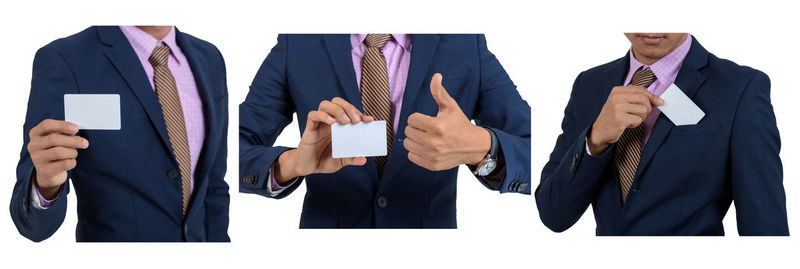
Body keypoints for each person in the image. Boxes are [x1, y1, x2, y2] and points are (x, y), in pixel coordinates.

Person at [240, 34, 531, 228]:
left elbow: (534, 152)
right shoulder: (298, 42)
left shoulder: (465, 42)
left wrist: (481, 147)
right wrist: (291, 163)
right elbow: (232, 148)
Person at [536, 33, 788, 235]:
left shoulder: (740, 87)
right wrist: (595, 138)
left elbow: (764, 223)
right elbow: (553, 215)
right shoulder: (589, 84)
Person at [10, 26, 230, 241]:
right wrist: (46, 186)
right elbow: (32, 225)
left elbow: (213, 186)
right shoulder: (67, 59)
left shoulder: (210, 58)